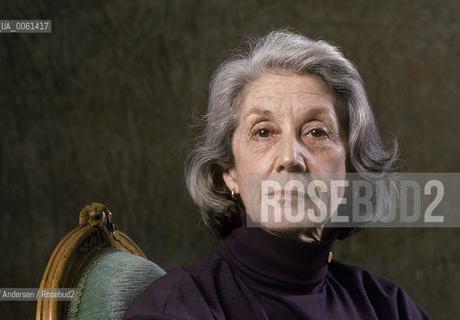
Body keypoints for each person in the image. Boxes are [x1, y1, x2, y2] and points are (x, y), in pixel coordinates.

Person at [124, 29, 432, 319]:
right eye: (263, 132)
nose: (289, 158)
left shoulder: (387, 306)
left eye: (316, 132)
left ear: (350, 170)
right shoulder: (177, 308)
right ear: (228, 172)